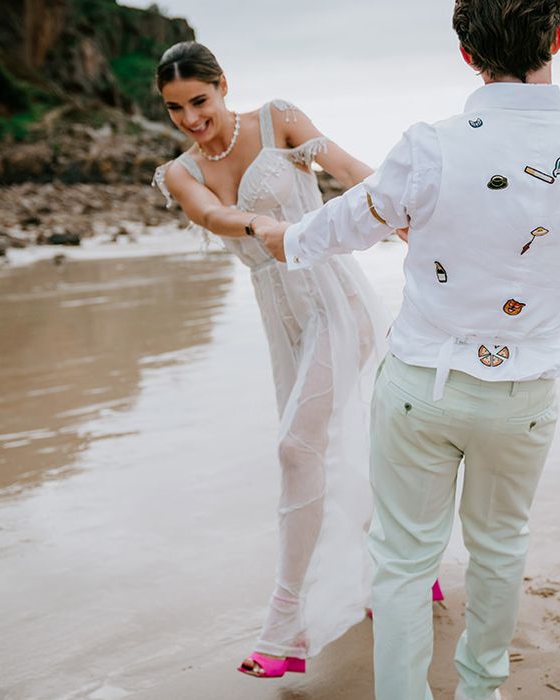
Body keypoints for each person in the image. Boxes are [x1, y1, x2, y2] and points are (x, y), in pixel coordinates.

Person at [256, 1, 560, 698]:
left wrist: (278, 235)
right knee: (500, 551)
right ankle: (480, 690)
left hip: (421, 387)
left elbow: (343, 225)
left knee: (401, 561)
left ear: (465, 51)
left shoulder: (431, 144)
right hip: (525, 394)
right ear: (559, 34)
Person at [152, 42, 443, 679]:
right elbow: (212, 215)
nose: (191, 119)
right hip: (280, 323)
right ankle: (409, 564)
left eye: (199, 101)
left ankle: (283, 629)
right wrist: (260, 226)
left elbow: (346, 168)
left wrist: (407, 217)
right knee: (326, 449)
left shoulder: (277, 118)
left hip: (337, 301)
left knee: (295, 450)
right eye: (176, 109)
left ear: (222, 85)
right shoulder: (181, 172)